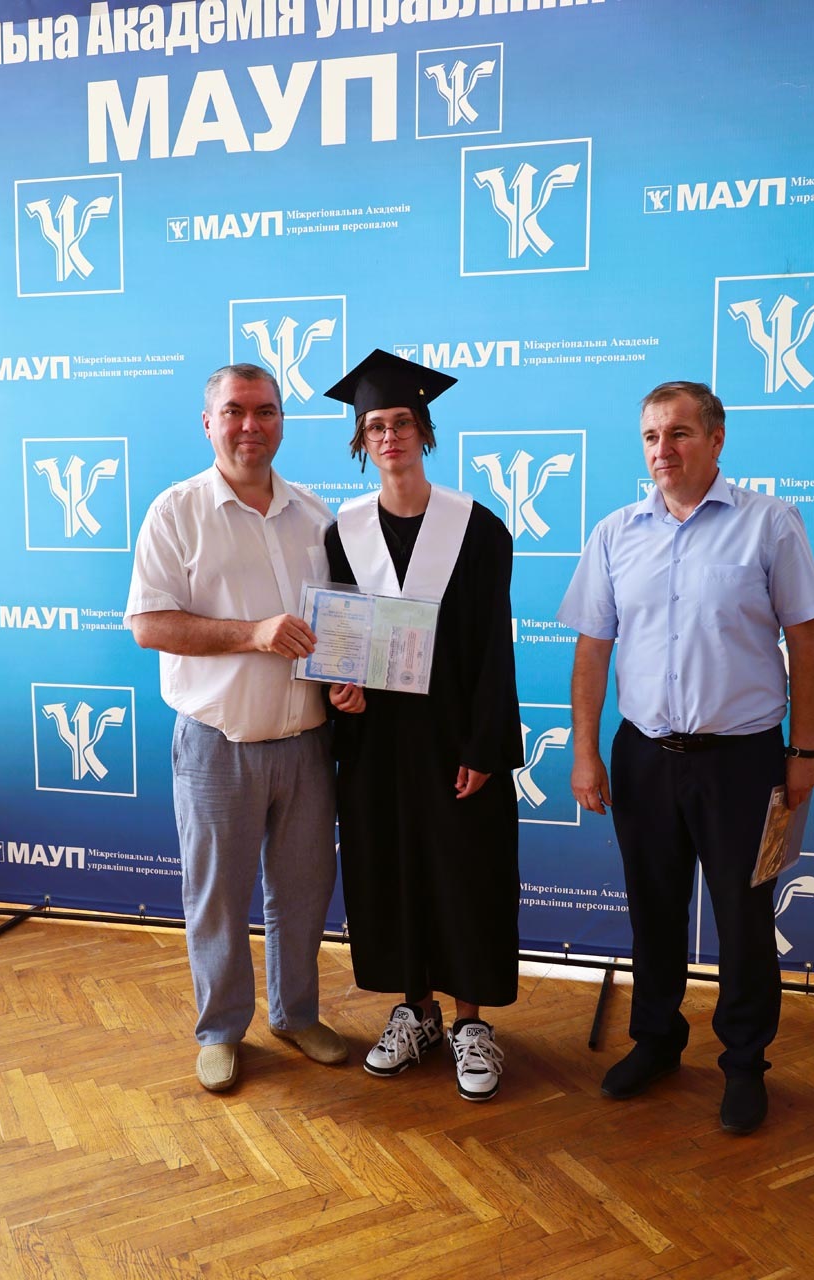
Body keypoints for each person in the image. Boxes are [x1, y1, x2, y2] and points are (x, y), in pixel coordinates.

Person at [558, 381, 814, 1135]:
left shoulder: (767, 524)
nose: (662, 450)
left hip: (742, 762)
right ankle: (655, 1040)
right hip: (643, 756)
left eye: (678, 433)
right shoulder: (616, 532)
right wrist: (585, 750)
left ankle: (743, 1063)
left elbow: (806, 642)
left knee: (743, 919)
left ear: (715, 439)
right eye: (651, 436)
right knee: (653, 909)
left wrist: (803, 751)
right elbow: (592, 648)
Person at [124, 362, 361, 1092]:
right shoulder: (176, 511)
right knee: (218, 897)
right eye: (234, 411)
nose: (250, 425)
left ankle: (295, 1015)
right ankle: (221, 1030)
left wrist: (346, 674)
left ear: (282, 422)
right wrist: (252, 634)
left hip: (307, 742)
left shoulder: (315, 514)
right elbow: (149, 625)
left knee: (303, 893)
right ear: (209, 424)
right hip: (216, 745)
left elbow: (337, 622)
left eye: (264, 411)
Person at [322, 349, 522, 1102]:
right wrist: (340, 694)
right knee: (394, 866)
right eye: (375, 425)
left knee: (465, 869)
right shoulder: (341, 534)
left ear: (424, 431)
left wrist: (484, 745)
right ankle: (417, 1011)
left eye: (402, 422)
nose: (390, 436)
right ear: (360, 439)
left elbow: (493, 649)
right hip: (377, 743)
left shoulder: (478, 529)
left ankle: (471, 1022)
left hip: (455, 737)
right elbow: (342, 640)